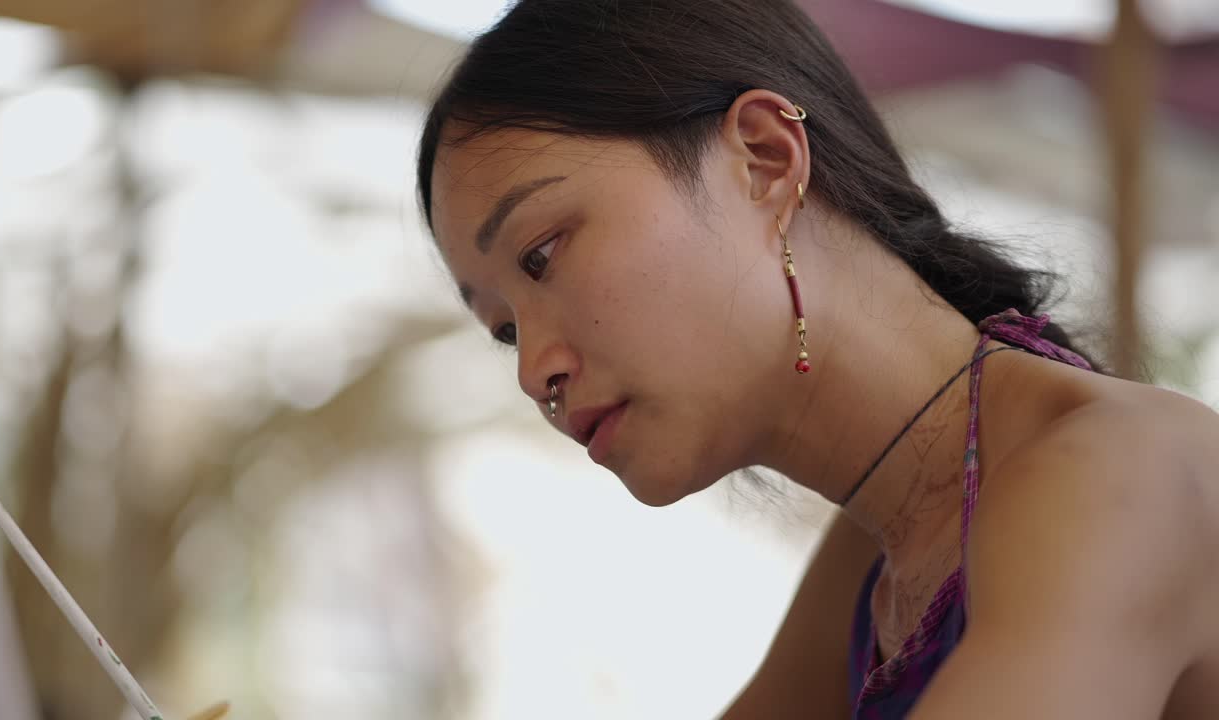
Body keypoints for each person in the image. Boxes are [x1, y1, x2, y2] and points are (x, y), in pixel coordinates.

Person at [415, 1, 1219, 717]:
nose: (534, 374)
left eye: (542, 255)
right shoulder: (879, 556)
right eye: (506, 330)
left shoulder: (1113, 470)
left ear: (764, 158)